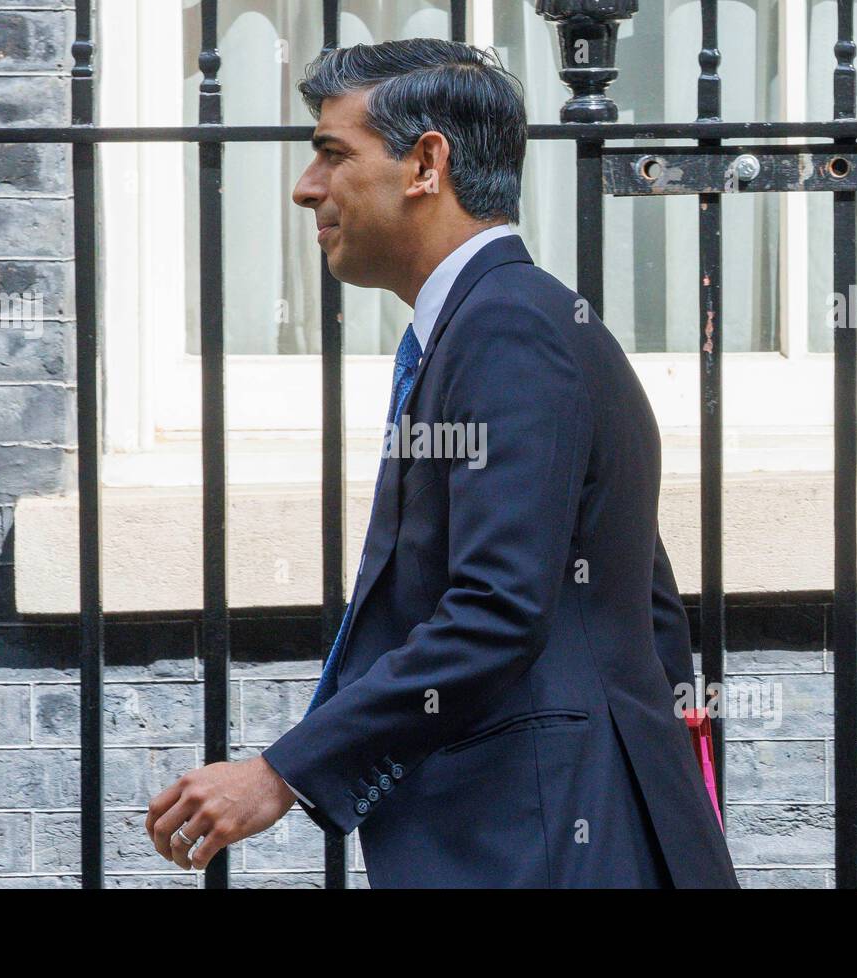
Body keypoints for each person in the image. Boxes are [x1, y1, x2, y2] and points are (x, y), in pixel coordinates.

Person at [145, 38, 740, 888]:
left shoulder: (509, 330)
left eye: (332, 153)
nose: (305, 186)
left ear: (426, 164)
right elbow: (643, 599)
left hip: (546, 845)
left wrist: (280, 774)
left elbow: (497, 610)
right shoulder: (491, 325)